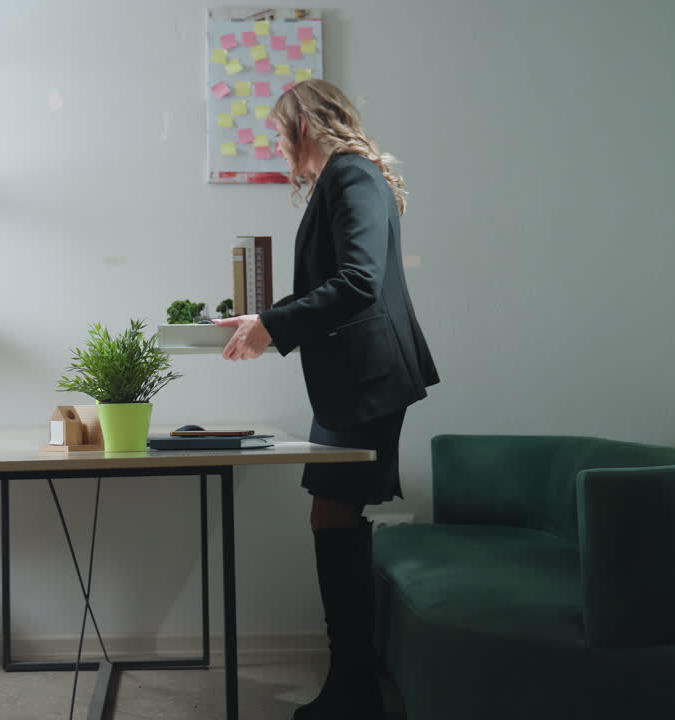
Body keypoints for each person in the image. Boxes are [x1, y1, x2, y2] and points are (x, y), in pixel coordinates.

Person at [213, 79, 439, 720]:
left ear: (302, 127)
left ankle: (354, 689)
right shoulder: (348, 177)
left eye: (280, 132)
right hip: (357, 379)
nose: (278, 147)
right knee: (334, 517)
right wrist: (265, 320)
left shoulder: (350, 174)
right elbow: (342, 282)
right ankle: (354, 682)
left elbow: (360, 281)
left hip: (366, 380)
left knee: (335, 517)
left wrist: (275, 327)